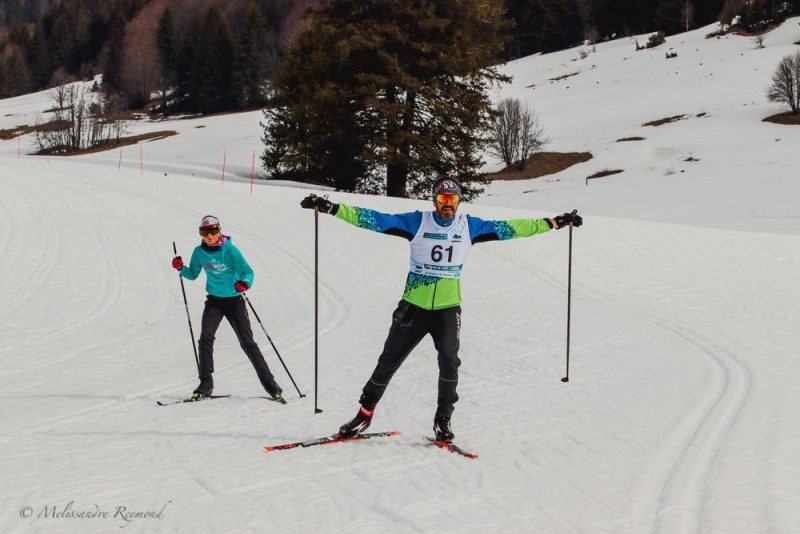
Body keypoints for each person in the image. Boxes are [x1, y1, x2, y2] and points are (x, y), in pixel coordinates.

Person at [300, 178, 582, 442]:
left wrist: (555, 223)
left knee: (449, 361)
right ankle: (363, 416)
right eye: (442, 198)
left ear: (459, 201)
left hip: (447, 310)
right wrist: (332, 208)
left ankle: (443, 420)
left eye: (452, 198)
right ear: (434, 200)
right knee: (388, 361)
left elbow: (512, 228)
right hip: (413, 307)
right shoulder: (416, 222)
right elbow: (376, 220)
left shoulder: (468, 227)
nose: (447, 203)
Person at [171, 215, 284, 401]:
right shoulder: (199, 252)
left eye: (213, 232)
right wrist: (181, 267)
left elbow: (248, 271)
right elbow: (192, 274)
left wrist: (245, 284)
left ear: (219, 231)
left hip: (234, 302)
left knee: (248, 343)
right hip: (214, 300)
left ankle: (271, 385)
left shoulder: (231, 250)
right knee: (205, 339)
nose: (209, 236)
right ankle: (206, 384)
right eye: (204, 233)